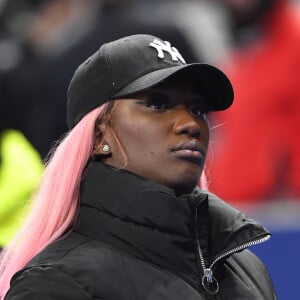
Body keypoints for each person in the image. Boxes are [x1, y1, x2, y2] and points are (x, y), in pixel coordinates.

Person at [0, 34, 276, 299]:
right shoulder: (55, 284)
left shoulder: (246, 269)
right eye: (157, 104)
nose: (191, 125)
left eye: (197, 109)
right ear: (98, 136)